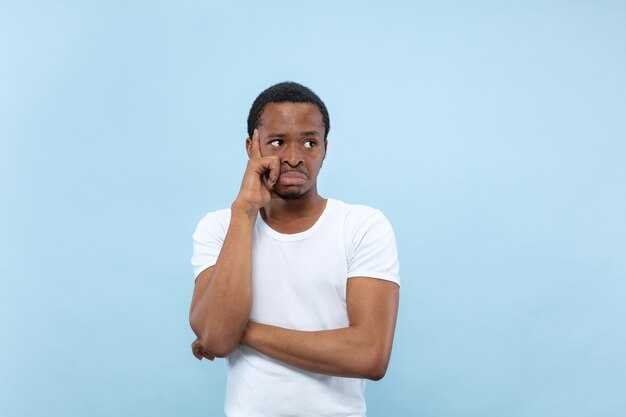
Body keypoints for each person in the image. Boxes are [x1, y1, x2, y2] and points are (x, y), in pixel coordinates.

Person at [189, 82, 400, 417]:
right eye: (277, 142)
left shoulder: (362, 226)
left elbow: (371, 355)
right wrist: (245, 211)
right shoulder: (219, 227)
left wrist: (240, 332)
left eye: (309, 142)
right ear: (251, 147)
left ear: (325, 148)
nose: (293, 157)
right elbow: (216, 337)